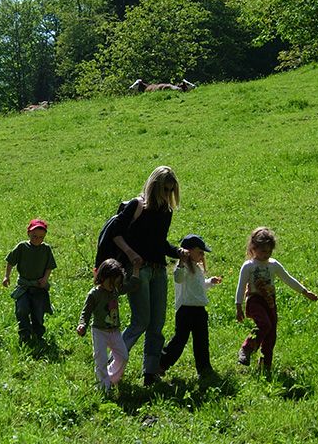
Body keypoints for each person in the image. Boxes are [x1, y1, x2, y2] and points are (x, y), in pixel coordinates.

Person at [105, 166, 189, 386]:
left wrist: (179, 252)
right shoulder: (137, 205)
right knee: (140, 322)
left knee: (157, 323)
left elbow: (158, 243)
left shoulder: (166, 212)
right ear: (155, 186)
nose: (167, 194)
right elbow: (115, 234)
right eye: (165, 189)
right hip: (137, 271)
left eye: (171, 190)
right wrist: (132, 255)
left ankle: (150, 372)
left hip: (158, 270)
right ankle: (111, 365)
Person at [235, 227, 318, 371]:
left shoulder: (273, 264)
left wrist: (305, 292)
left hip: (270, 301)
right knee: (265, 325)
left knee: (271, 333)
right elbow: (241, 286)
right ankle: (247, 348)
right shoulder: (248, 266)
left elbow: (288, 279)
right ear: (253, 248)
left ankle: (265, 364)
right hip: (255, 300)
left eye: (269, 251)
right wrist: (238, 306)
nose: (266, 254)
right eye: (262, 251)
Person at [160, 234, 222, 379]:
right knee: (180, 340)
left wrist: (209, 282)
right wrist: (181, 261)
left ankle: (204, 367)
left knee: (202, 340)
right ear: (188, 251)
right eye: (199, 252)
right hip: (186, 310)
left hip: (199, 310)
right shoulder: (182, 268)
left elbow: (197, 287)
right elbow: (178, 278)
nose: (202, 255)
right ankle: (162, 363)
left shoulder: (197, 268)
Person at [77, 258, 130, 392]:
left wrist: (135, 272)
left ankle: (110, 377)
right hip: (99, 331)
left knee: (123, 356)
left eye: (116, 283)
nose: (113, 286)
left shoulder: (115, 291)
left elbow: (132, 285)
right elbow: (86, 311)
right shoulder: (94, 294)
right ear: (102, 277)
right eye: (111, 282)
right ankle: (103, 386)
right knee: (101, 359)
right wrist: (82, 324)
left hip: (114, 331)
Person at [3, 218, 57, 344]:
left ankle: (38, 335)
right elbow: (10, 261)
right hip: (24, 285)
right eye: (34, 236)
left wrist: (45, 279)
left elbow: (50, 266)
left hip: (38, 287)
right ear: (28, 233)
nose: (37, 239)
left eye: (40, 237)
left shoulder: (46, 249)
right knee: (22, 309)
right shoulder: (22, 247)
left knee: (38, 312)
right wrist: (7, 276)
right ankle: (24, 334)